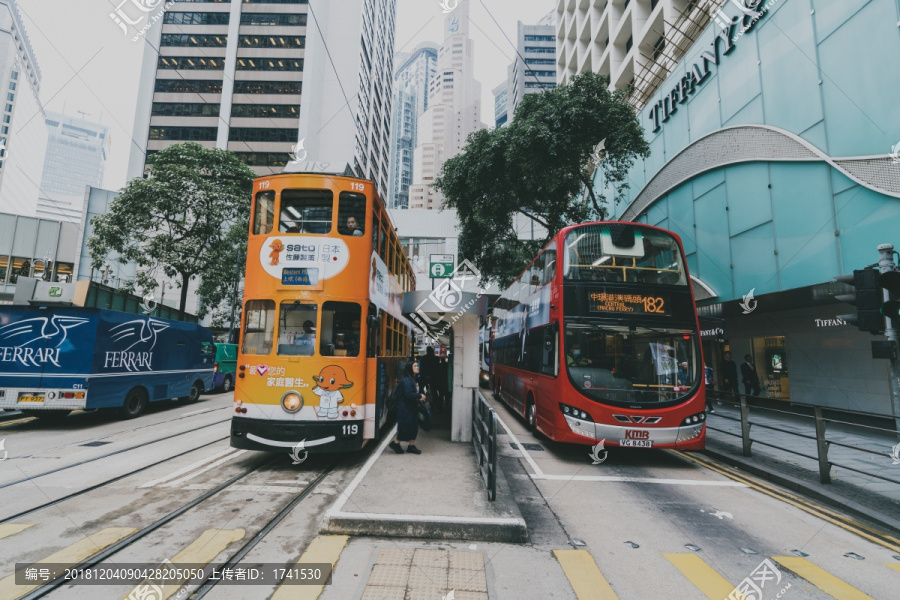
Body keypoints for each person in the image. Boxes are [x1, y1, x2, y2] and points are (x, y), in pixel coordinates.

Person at [389, 361, 426, 455]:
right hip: (405, 408)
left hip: (410, 407)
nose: (417, 367)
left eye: (417, 365)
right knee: (405, 427)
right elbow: (408, 394)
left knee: (413, 426)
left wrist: (418, 398)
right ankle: (396, 443)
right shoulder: (407, 380)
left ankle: (411, 446)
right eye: (415, 366)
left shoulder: (411, 379)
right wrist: (419, 396)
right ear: (410, 368)